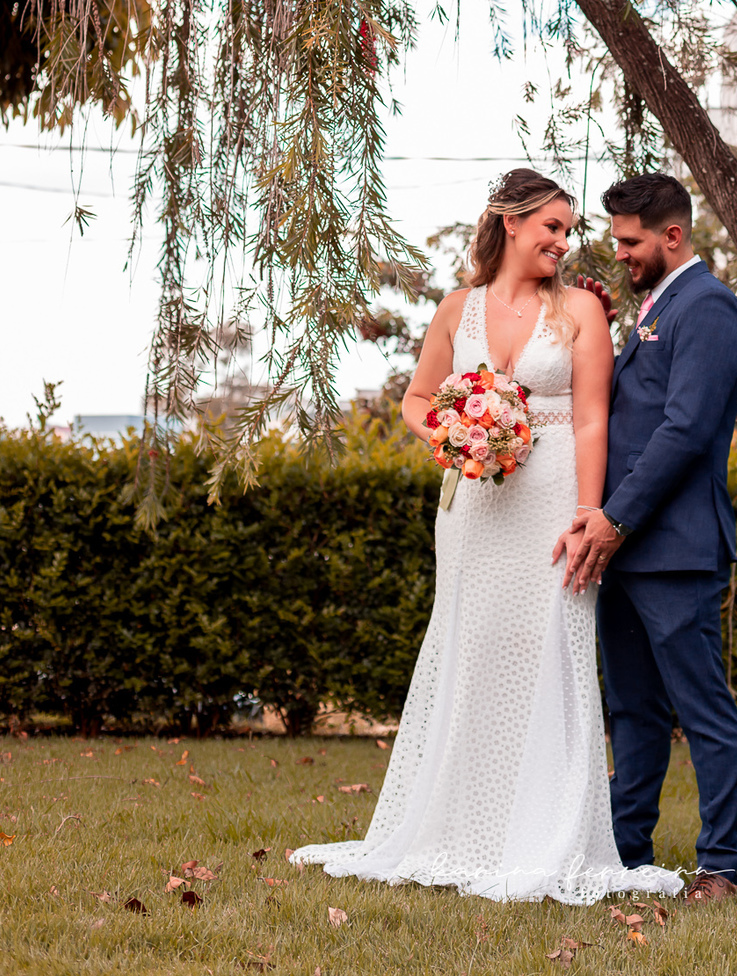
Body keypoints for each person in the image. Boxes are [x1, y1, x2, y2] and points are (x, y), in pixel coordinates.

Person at [290, 168, 681, 906]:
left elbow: (595, 417)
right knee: (474, 649)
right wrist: (454, 437)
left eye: (569, 231)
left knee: (552, 655)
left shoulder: (581, 313)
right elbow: (416, 399)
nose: (564, 244)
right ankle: (464, 829)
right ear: (510, 223)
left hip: (555, 503)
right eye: (552, 228)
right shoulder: (457, 309)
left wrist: (588, 517)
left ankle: (547, 831)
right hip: (472, 509)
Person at [555, 172, 737, 905]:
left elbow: (685, 429)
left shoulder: (710, 308)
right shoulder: (656, 307)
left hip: (675, 551)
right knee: (632, 711)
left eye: (630, 241)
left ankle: (720, 865)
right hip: (628, 554)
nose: (620, 252)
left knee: (702, 711)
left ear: (673, 236)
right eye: (616, 240)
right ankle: (624, 849)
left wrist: (615, 516)